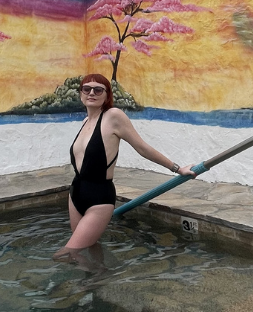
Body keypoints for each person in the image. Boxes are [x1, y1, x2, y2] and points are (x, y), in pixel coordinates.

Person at [55, 72, 195, 256]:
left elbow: (142, 148)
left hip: (99, 197)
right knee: (85, 249)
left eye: (98, 90)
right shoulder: (85, 122)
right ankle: (97, 272)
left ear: (107, 95)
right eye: (86, 89)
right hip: (76, 194)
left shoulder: (113, 116)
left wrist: (177, 168)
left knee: (67, 254)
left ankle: (97, 272)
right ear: (81, 94)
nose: (92, 93)